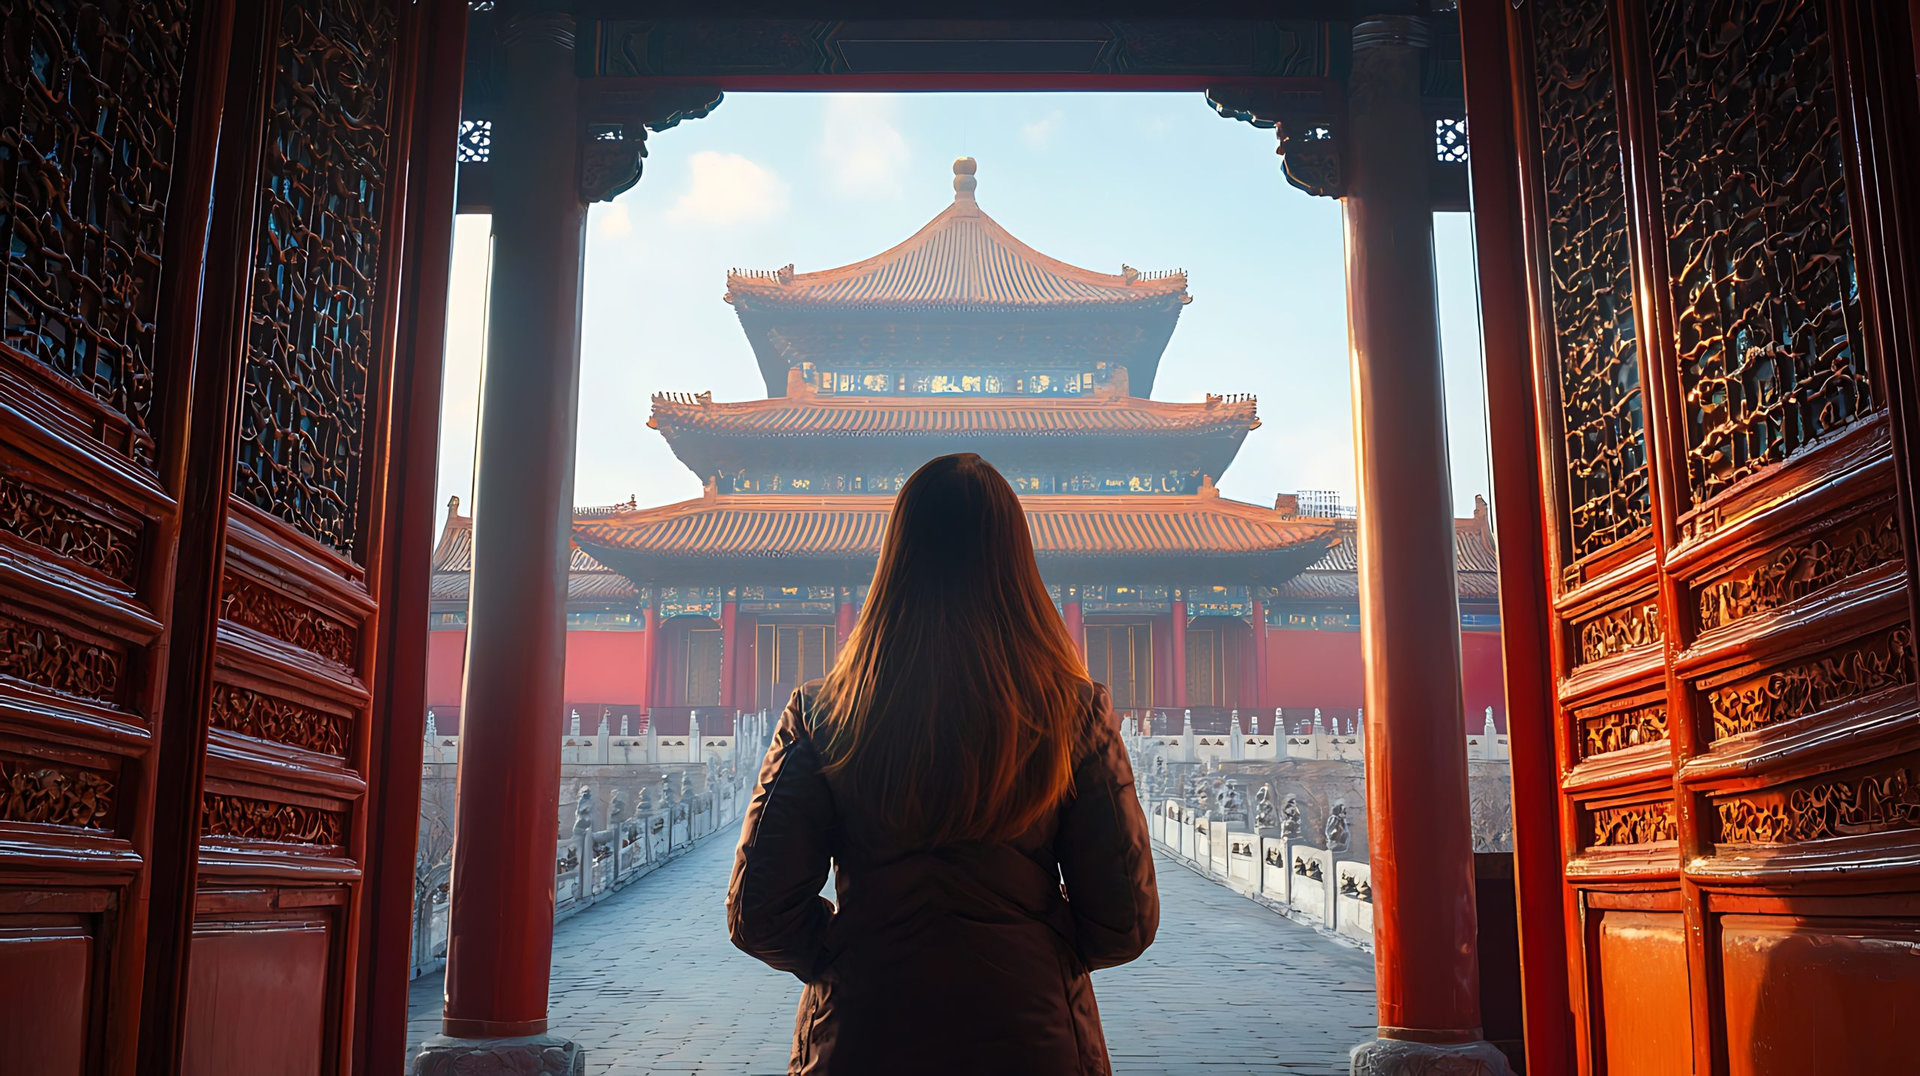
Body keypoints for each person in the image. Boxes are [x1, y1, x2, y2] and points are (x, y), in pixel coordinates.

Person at [727, 453, 1159, 1075]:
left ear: (896, 560)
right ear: (1016, 564)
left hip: (864, 1035)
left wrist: (849, 948)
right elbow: (1124, 921)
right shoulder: (1072, 713)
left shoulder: (824, 713)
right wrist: (1032, 940)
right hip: (1031, 1035)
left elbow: (759, 913)